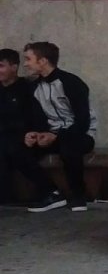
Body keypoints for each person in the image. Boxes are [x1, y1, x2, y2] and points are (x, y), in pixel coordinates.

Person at [22, 42, 98, 211]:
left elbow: (83, 121)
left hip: (80, 135)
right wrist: (34, 134)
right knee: (18, 150)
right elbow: (37, 118)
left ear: (42, 61)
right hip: (51, 135)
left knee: (69, 147)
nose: (25, 64)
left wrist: (57, 136)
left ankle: (79, 195)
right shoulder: (34, 87)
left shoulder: (71, 82)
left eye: (28, 59)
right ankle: (52, 192)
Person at [0, 48, 61, 211]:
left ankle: (51, 191)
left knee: (13, 149)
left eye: (1, 66)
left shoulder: (28, 89)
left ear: (14, 67)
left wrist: (30, 134)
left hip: (30, 138)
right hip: (7, 138)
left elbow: (38, 117)